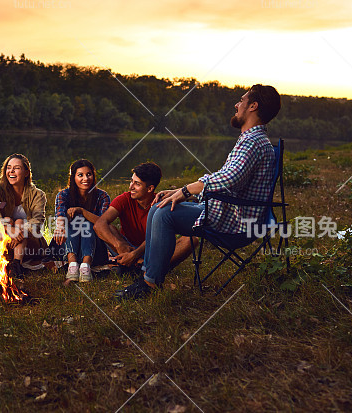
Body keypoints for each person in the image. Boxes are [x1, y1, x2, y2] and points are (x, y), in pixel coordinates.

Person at [115, 84, 282, 300]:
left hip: (236, 221)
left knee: (165, 214)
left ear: (253, 106)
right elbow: (230, 183)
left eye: (242, 100)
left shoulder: (252, 142)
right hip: (233, 212)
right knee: (161, 205)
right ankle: (147, 274)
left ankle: (150, 283)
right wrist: (179, 191)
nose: (236, 104)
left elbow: (230, 178)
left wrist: (186, 190)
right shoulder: (253, 140)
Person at [93, 162, 192, 275]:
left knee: (190, 240)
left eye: (137, 184)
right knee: (108, 227)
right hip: (127, 248)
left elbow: (155, 238)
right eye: (131, 181)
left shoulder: (161, 204)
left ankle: (147, 266)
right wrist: (119, 245)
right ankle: (140, 265)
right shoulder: (124, 199)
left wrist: (135, 255)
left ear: (150, 188)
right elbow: (99, 224)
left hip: (153, 251)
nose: (131, 187)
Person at [0, 153, 46, 278]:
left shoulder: (37, 194)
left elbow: (37, 221)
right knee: (7, 221)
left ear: (26, 172)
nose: (11, 171)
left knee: (19, 222)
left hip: (29, 244)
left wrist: (20, 232)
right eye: (8, 167)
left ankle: (16, 265)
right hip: (3, 240)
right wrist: (9, 229)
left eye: (17, 168)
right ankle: (1, 261)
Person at [53, 159, 110, 282]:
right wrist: (63, 223)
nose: (86, 178)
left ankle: (85, 267)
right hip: (68, 245)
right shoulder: (63, 195)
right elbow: (60, 216)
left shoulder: (102, 196)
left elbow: (103, 222)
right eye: (80, 175)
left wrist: (82, 211)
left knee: (87, 222)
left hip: (94, 247)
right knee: (75, 221)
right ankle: (72, 266)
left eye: (89, 174)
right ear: (73, 177)